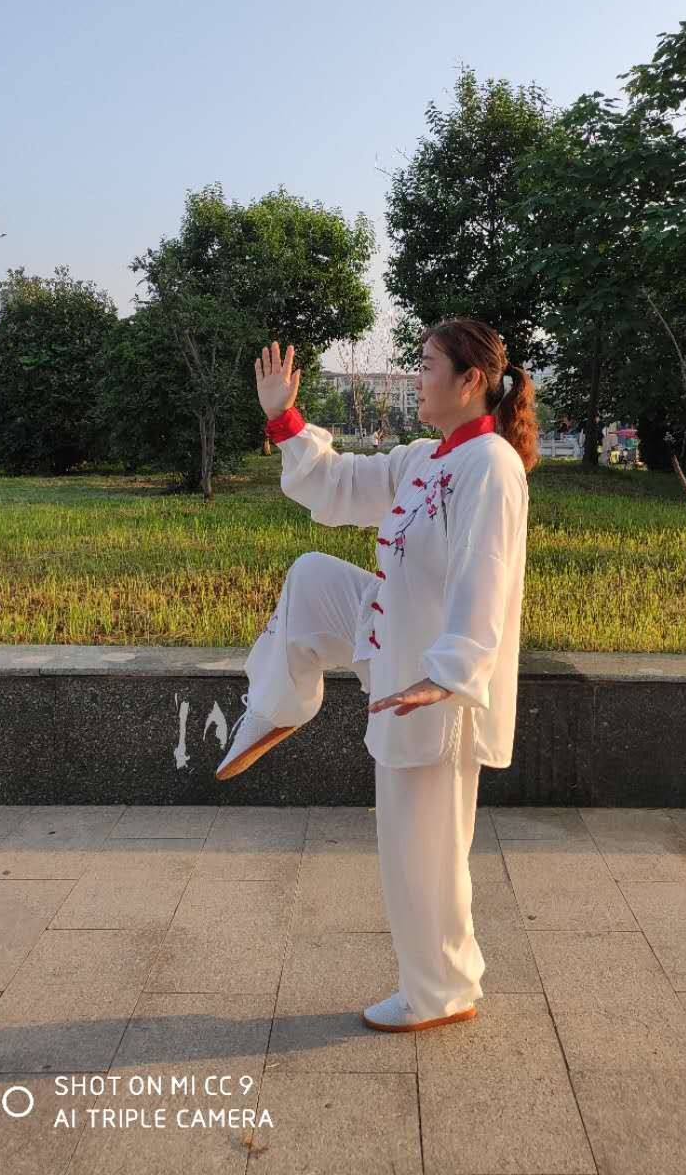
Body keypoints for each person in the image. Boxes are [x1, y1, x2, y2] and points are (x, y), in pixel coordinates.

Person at [215, 320, 537, 1033]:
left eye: (426, 366)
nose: (416, 379)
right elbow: (338, 485)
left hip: (433, 686)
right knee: (311, 577)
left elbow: (487, 574)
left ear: (470, 380)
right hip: (393, 648)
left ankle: (440, 993)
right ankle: (276, 706)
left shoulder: (491, 465)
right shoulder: (426, 458)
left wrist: (448, 674)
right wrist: (283, 417)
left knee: (422, 854)